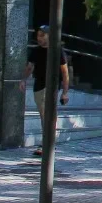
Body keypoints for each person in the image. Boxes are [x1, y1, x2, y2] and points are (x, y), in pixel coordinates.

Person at [22, 25, 70, 156]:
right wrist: (23, 80)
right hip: (39, 85)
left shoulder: (57, 50)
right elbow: (29, 67)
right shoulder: (36, 51)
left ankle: (47, 144)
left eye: (42, 35)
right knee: (44, 116)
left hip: (52, 86)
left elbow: (65, 73)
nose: (39, 38)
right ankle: (48, 142)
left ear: (50, 36)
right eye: (38, 35)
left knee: (47, 115)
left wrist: (65, 92)